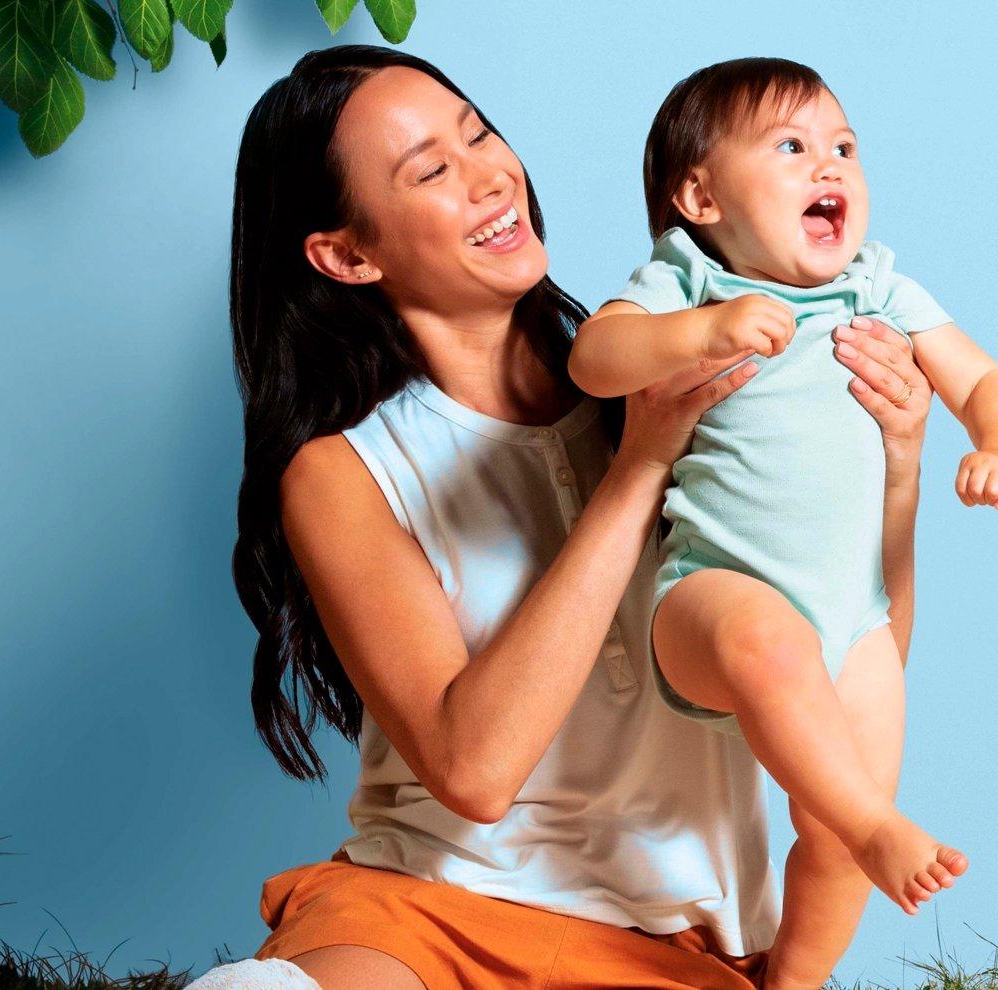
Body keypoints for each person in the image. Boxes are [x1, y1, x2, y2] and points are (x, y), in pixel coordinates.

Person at [223, 45, 939, 990]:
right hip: (425, 912)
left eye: (479, 134)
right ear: (347, 254)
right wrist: (642, 458)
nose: (490, 176)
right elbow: (473, 772)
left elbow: (856, 652)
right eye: (432, 170)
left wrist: (900, 470)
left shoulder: (673, 354)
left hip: (676, 945)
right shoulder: (343, 470)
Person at [568, 57, 998, 989]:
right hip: (714, 595)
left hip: (855, 615)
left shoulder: (876, 287)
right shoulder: (691, 281)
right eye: (792, 147)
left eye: (845, 147)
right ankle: (875, 830)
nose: (831, 166)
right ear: (700, 196)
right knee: (811, 720)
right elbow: (595, 357)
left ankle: (793, 981)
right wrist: (698, 334)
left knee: (832, 830)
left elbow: (982, 376)